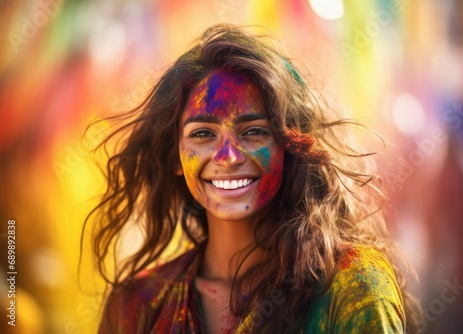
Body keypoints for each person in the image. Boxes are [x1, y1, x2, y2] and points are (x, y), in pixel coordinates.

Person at [84, 24, 421, 333]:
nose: (228, 157)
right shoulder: (136, 305)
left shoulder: (351, 284)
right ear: (175, 155)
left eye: (254, 131)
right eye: (202, 133)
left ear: (290, 146)